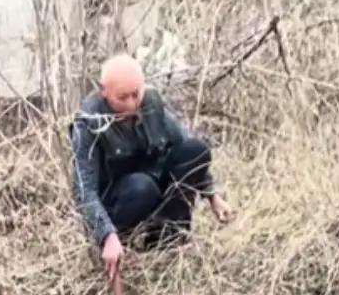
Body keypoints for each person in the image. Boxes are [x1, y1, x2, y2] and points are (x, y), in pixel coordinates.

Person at [70, 53, 232, 279]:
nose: (132, 104)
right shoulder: (87, 124)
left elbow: (184, 145)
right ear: (104, 91)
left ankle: (167, 235)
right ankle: (126, 238)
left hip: (155, 183)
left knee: (198, 150)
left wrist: (212, 195)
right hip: (122, 199)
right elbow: (84, 191)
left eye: (137, 94)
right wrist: (107, 235)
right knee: (142, 186)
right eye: (122, 97)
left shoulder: (151, 104)